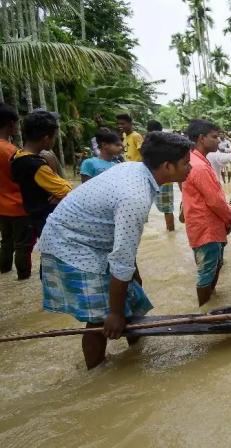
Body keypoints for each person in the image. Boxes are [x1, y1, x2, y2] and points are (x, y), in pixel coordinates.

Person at [37, 131, 192, 369]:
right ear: (167, 166)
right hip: (70, 245)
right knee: (101, 317)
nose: (190, 167)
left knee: (132, 295)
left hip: (93, 239)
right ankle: (95, 375)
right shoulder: (135, 196)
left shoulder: (136, 170)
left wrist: (132, 278)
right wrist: (115, 313)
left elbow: (124, 248)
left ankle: (137, 353)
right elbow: (121, 259)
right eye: (185, 163)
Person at [182, 119, 231, 306]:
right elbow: (214, 201)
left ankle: (210, 304)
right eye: (214, 137)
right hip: (207, 228)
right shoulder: (198, 167)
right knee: (207, 272)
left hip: (206, 225)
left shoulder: (196, 161)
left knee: (215, 265)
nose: (218, 142)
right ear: (201, 138)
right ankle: (204, 311)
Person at [10, 111, 73, 238]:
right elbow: (67, 190)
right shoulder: (36, 166)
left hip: (33, 216)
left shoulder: (17, 157)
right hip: (47, 220)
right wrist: (59, 189)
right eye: (54, 137)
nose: (54, 140)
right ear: (46, 138)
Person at [0, 103, 34, 280]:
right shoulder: (12, 151)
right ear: (11, 124)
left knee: (5, 242)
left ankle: (4, 271)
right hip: (19, 205)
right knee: (23, 245)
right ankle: (23, 278)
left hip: (1, 207)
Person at [146, 120, 176, 231]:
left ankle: (171, 232)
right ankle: (171, 234)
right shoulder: (166, 143)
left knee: (166, 208)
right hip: (162, 178)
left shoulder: (150, 143)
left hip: (160, 178)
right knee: (167, 208)